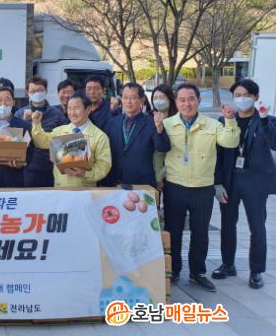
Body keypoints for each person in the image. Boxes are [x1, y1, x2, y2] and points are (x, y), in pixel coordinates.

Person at [162, 83, 239, 292]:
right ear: (176, 102)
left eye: (191, 99)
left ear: (199, 101)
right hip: (174, 187)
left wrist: (229, 119)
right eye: (182, 99)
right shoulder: (167, 124)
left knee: (200, 233)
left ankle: (197, 273)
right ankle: (174, 270)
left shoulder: (212, 124)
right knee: (173, 231)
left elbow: (230, 142)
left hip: (203, 188)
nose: (186, 104)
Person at [212, 79, 276, 289]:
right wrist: (218, 182)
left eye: (246, 95)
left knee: (257, 227)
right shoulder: (225, 120)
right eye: (237, 95)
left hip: (255, 181)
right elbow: (218, 155)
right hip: (231, 179)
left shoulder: (267, 120)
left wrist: (264, 119)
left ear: (255, 97)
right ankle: (228, 264)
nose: (241, 99)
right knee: (227, 224)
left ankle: (256, 271)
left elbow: (273, 143)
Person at [31, 91, 112, 188]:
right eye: (69, 108)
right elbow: (41, 142)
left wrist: (85, 173)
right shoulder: (60, 131)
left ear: (88, 109)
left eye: (76, 108)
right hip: (60, 189)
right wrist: (36, 123)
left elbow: (104, 166)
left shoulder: (99, 136)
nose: (72, 113)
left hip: (85, 190)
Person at [103, 83, 171, 187]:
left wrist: (160, 129)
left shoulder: (151, 123)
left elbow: (163, 147)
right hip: (114, 181)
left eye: (133, 98)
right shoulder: (112, 123)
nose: (128, 101)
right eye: (125, 97)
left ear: (142, 100)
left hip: (141, 183)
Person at [15, 76, 67, 187]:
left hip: (51, 168)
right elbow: (15, 142)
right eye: (33, 91)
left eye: (40, 90)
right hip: (28, 168)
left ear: (46, 91)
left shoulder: (57, 114)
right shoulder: (20, 114)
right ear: (27, 93)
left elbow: (64, 141)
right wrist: (25, 122)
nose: (36, 94)